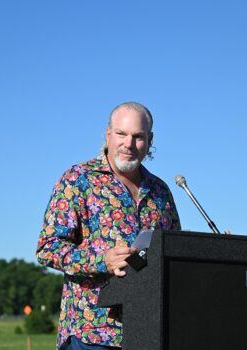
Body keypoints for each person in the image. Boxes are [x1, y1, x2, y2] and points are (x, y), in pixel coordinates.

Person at [36, 102, 181, 349]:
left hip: (149, 331)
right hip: (92, 334)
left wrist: (215, 248)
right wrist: (103, 260)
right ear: (108, 135)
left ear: (150, 140)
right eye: (121, 134)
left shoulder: (160, 191)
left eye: (138, 137)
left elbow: (173, 251)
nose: (129, 144)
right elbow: (47, 249)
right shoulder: (78, 179)